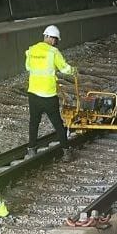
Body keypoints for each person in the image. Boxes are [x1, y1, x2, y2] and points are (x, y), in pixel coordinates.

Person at [25, 24, 76, 160]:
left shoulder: (31, 50)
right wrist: (74, 71)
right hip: (48, 95)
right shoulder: (53, 52)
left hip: (33, 93)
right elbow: (65, 68)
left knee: (33, 122)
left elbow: (28, 66)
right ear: (53, 39)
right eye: (56, 40)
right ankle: (66, 151)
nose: (55, 42)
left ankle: (31, 150)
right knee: (58, 124)